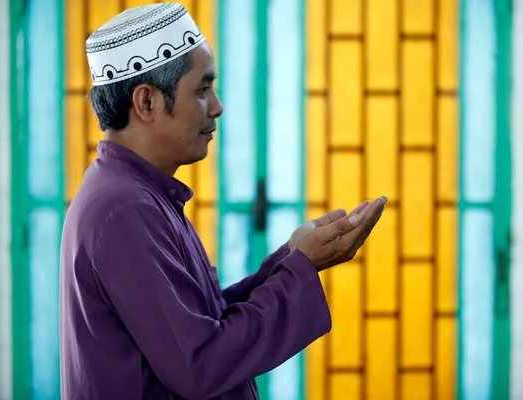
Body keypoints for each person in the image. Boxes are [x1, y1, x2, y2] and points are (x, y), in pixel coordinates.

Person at [59, 3, 387, 400]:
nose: (217, 107)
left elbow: (201, 323)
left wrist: (292, 260)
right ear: (146, 102)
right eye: (201, 89)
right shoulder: (124, 209)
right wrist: (301, 268)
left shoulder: (136, 194)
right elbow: (200, 363)